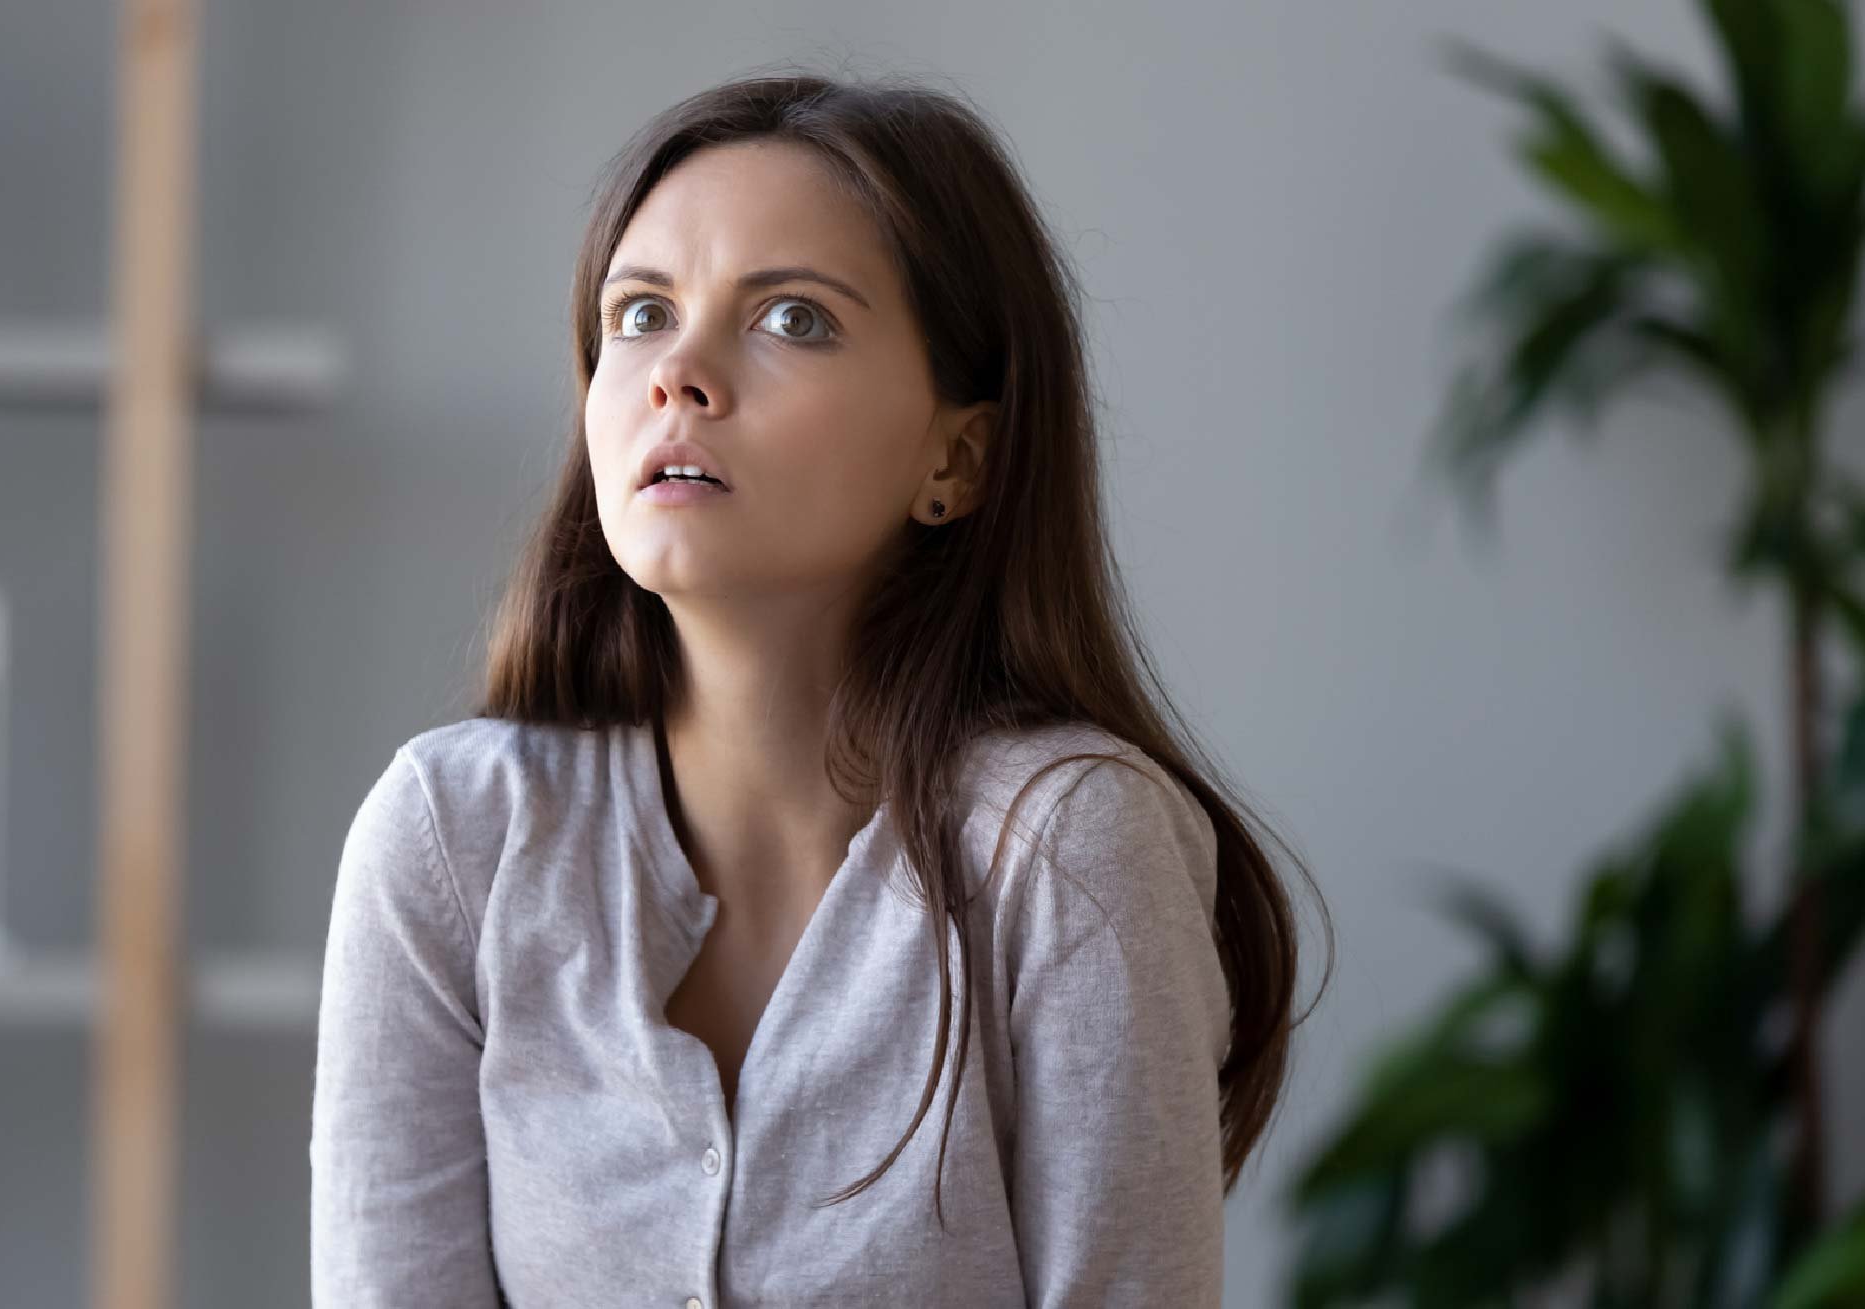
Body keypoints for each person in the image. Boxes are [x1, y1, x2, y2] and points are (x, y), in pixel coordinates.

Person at [310, 67, 1325, 1308]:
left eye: (791, 319)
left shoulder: (1064, 848)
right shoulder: (450, 843)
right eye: (638, 315)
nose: (677, 375)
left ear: (955, 456)